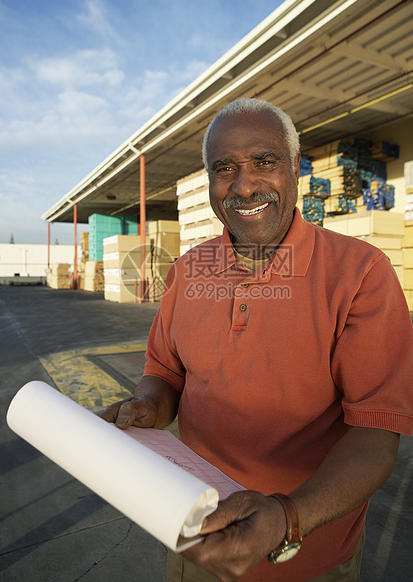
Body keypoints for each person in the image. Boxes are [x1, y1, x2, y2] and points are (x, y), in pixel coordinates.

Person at [101, 98, 413, 582]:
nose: (244, 185)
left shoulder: (361, 274)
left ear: (293, 168)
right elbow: (164, 374)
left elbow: (375, 434)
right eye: (225, 168)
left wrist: (288, 517)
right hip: (197, 540)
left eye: (264, 162)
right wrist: (148, 406)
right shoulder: (189, 271)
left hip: (308, 555)